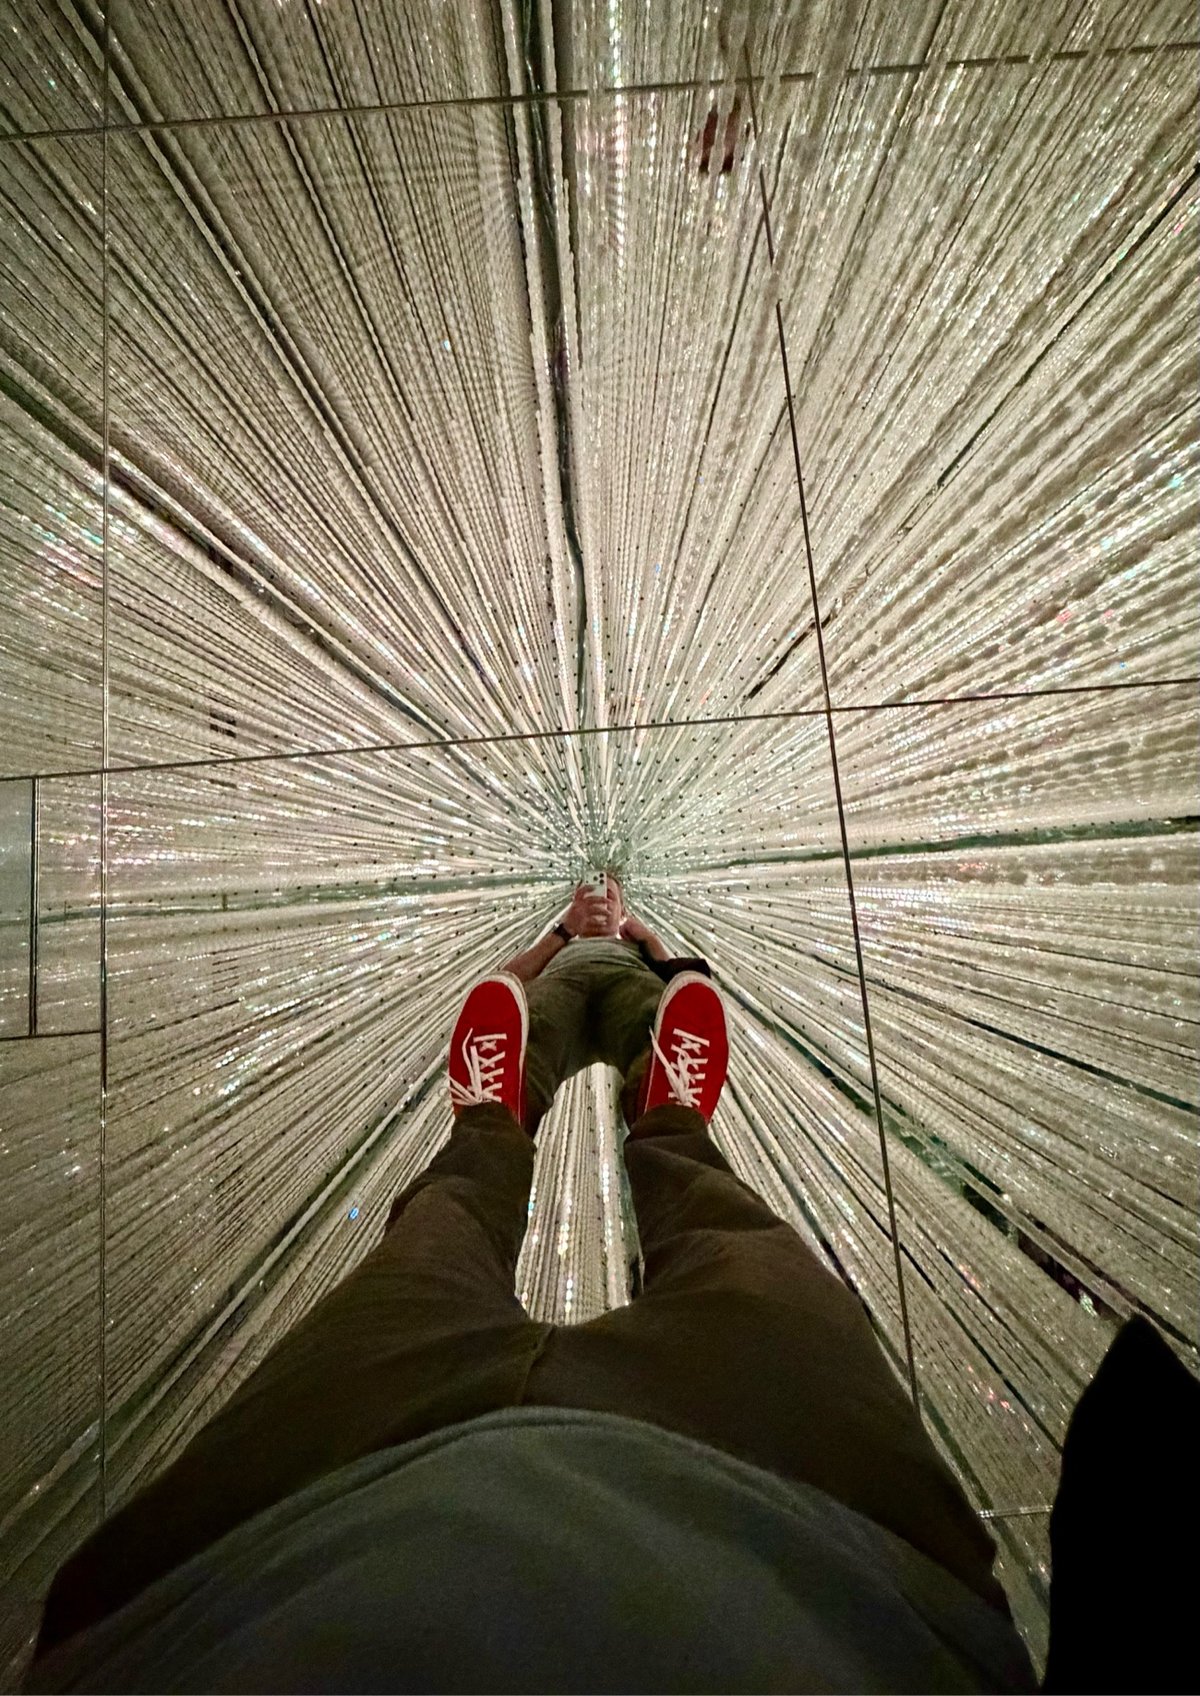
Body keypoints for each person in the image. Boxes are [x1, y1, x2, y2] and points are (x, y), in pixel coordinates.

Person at [28, 876, 1037, 1693]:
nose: (598, 907)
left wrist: (632, 938)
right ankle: (656, 1115)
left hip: (268, 1540)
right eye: (589, 903)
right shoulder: (571, 937)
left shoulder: (617, 935)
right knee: (739, 1242)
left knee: (432, 1235)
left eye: (604, 903)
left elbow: (655, 962)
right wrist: (552, 949)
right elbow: (538, 973)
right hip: (825, 1536)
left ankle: (497, 1120)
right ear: (578, 910)